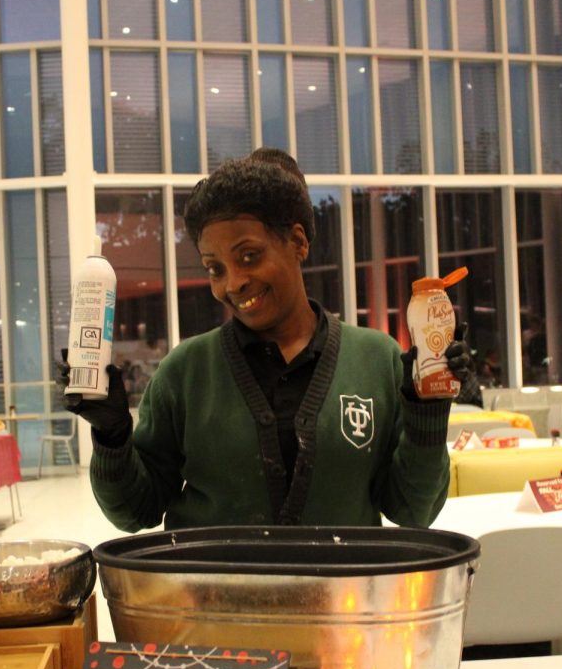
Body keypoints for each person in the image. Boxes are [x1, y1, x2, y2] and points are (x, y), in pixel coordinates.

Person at [60, 148, 473, 531]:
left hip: (343, 605)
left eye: (248, 256)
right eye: (214, 268)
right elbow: (136, 511)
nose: (233, 283)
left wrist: (428, 411)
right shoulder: (185, 373)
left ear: (297, 241)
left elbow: (412, 510)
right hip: (212, 605)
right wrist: (113, 438)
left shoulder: (375, 360)